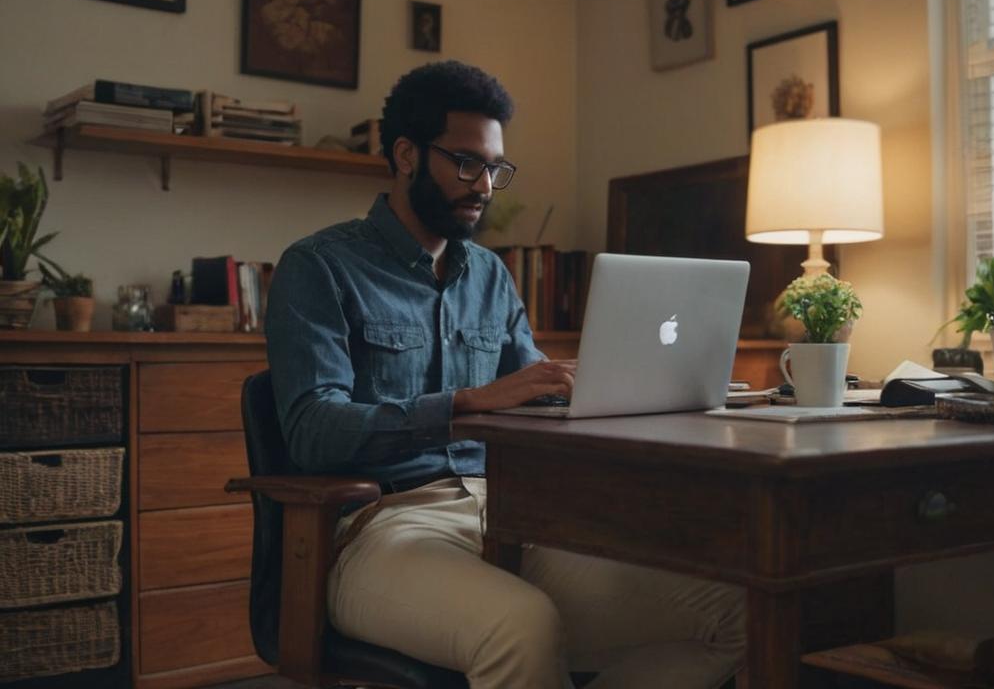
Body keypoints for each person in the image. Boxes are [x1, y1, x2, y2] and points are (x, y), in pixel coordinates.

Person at [265, 60, 745, 689]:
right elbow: (312, 431)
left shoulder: (489, 275)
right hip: (381, 530)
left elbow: (539, 397)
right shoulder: (319, 267)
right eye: (467, 164)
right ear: (407, 154)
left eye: (495, 168)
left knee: (734, 610)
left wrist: (628, 390)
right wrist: (466, 401)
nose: (485, 186)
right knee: (522, 627)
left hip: (512, 517)